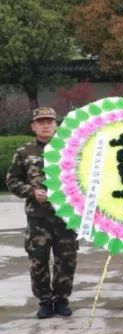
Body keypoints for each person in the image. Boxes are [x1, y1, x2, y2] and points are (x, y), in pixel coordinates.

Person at [5, 107, 78, 319]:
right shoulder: (24, 152)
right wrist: (31, 192)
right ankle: (45, 301)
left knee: (67, 260)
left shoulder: (70, 150)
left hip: (65, 217)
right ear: (33, 126)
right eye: (41, 121)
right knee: (38, 261)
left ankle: (61, 299)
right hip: (38, 219)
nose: (46, 125)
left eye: (50, 121)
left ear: (56, 125)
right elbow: (12, 181)